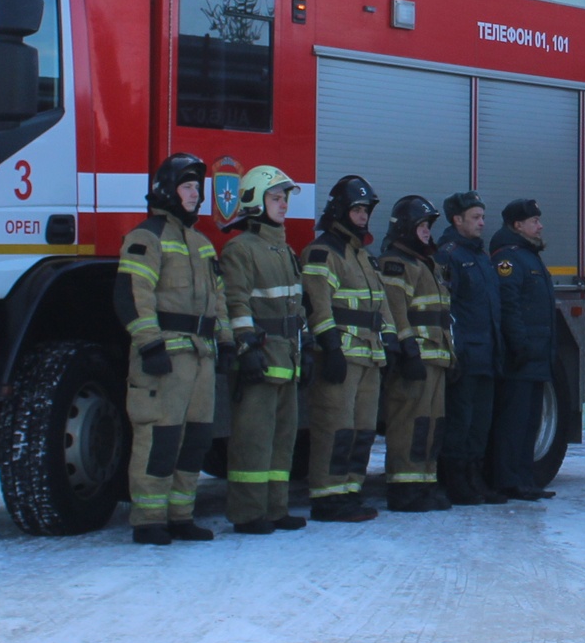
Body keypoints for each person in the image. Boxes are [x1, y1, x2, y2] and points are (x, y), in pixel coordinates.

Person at [113, 153, 224, 546]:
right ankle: (148, 520)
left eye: (197, 187)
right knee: (159, 440)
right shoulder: (147, 236)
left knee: (195, 441)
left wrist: (225, 341)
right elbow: (131, 295)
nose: (195, 194)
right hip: (165, 360)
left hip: (200, 359)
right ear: (168, 190)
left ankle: (181, 516)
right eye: (187, 186)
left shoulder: (202, 244)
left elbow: (218, 299)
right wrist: (150, 345)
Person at [220, 165, 309, 534]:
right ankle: (247, 513)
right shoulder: (240, 249)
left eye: (285, 197)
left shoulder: (283, 248)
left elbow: (296, 304)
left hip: (287, 359)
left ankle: (276, 508)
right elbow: (235, 304)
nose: (284, 203)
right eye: (276, 197)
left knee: (282, 439)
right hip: (260, 357)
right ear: (255, 200)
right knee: (253, 441)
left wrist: (308, 344)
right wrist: (245, 347)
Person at [300, 173, 392, 523]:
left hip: (368, 356)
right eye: (357, 210)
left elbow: (379, 304)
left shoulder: (363, 257)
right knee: (335, 430)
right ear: (339, 210)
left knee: (363, 430)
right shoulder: (324, 252)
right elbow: (317, 305)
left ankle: (350, 491)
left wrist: (391, 343)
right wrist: (330, 350)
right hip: (342, 357)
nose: (363, 216)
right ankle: (328, 497)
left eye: (366, 210)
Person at [378, 194, 454, 511]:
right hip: (416, 359)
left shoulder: (428, 265)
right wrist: (407, 351)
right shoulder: (397, 264)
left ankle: (424, 482)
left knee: (431, 424)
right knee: (409, 423)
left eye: (428, 226)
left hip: (436, 359)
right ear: (406, 228)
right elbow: (395, 311)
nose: (426, 231)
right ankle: (403, 487)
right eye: (422, 225)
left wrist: (453, 355)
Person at [435, 192, 505, 506]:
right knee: (459, 422)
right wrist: (456, 352)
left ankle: (475, 479)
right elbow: (446, 311)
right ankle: (456, 482)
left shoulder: (481, 256)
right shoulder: (449, 256)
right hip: (466, 355)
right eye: (475, 217)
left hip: (487, 354)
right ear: (457, 220)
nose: (481, 223)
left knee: (480, 423)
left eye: (482, 217)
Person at [488, 197, 557, 502]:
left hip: (536, 356)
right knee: (513, 422)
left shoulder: (529, 256)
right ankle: (508, 480)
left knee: (530, 422)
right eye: (534, 222)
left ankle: (525, 480)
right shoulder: (509, 258)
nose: (540, 226)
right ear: (518, 226)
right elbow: (509, 305)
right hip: (522, 358)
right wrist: (520, 347)